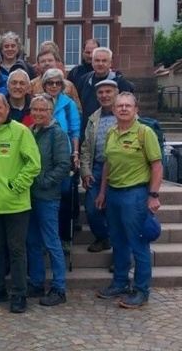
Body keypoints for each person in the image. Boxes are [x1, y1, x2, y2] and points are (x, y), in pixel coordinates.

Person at [95, 92, 162, 309]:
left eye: (128, 106)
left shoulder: (144, 133)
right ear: (114, 110)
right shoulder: (111, 132)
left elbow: (157, 166)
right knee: (118, 242)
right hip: (114, 193)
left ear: (136, 110)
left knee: (138, 244)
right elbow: (107, 164)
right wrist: (102, 192)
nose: (123, 109)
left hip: (136, 195)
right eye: (120, 106)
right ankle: (120, 282)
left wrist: (153, 195)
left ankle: (141, 290)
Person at [0, 92, 41, 314]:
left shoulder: (21, 131)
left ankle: (19, 293)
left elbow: (33, 164)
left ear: (7, 108)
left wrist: (16, 186)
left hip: (15, 204)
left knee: (16, 250)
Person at [26, 94, 71, 306]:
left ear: (50, 112)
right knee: (32, 241)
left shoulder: (57, 134)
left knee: (52, 242)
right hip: (29, 196)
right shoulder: (29, 132)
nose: (38, 113)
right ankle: (36, 282)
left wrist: (44, 182)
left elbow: (63, 165)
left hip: (47, 197)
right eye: (34, 109)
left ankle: (59, 287)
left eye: (42, 110)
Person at [41, 68, 81, 249]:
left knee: (64, 196)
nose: (54, 86)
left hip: (64, 156)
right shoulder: (39, 101)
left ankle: (64, 237)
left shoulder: (68, 103)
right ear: (44, 85)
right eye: (50, 82)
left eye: (58, 83)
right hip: (44, 156)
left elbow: (75, 129)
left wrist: (75, 153)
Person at [80, 79, 118, 254]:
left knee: (116, 211)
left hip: (120, 170)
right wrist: (85, 171)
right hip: (97, 168)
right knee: (92, 208)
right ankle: (103, 238)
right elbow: (86, 148)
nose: (104, 95)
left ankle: (120, 253)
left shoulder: (125, 113)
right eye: (101, 93)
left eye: (108, 92)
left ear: (116, 94)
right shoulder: (93, 119)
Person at [77, 47, 134, 132]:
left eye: (104, 61)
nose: (100, 64)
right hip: (88, 130)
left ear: (110, 63)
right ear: (92, 62)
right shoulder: (84, 80)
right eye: (97, 60)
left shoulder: (120, 82)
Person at [30, 49, 82, 113]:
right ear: (37, 65)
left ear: (56, 62)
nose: (47, 63)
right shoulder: (32, 85)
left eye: (50, 60)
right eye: (43, 61)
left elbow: (78, 109)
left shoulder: (69, 85)